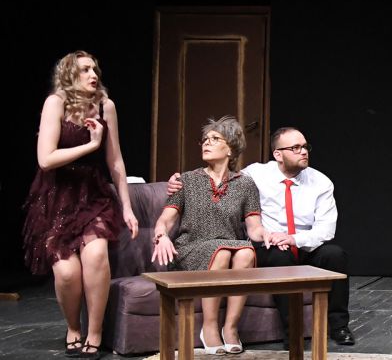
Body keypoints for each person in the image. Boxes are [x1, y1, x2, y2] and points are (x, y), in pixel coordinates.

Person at [168, 127, 355, 346]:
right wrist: (177, 181)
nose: (304, 152)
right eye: (296, 148)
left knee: (335, 255)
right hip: (270, 244)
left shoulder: (321, 182)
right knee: (280, 258)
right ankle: (293, 333)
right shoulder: (256, 174)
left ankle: (339, 326)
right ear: (278, 154)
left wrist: (294, 239)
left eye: (305, 147)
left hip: (304, 243)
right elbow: (223, 177)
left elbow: (326, 230)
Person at [23, 50, 139, 358]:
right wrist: (91, 144)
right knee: (66, 273)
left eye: (95, 69)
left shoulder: (105, 106)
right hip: (56, 197)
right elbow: (46, 159)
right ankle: (73, 326)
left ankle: (95, 332)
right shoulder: (55, 103)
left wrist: (127, 207)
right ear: (69, 75)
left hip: (92, 195)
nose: (93, 75)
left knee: (97, 255)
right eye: (85, 70)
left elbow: (115, 161)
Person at [150, 116, 265, 355]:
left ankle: (230, 328)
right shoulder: (186, 180)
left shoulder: (246, 185)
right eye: (205, 139)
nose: (206, 143)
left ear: (230, 149)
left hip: (230, 246)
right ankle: (209, 327)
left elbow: (254, 228)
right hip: (191, 247)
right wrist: (161, 235)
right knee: (221, 252)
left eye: (215, 139)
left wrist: (269, 235)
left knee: (246, 252)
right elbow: (166, 219)